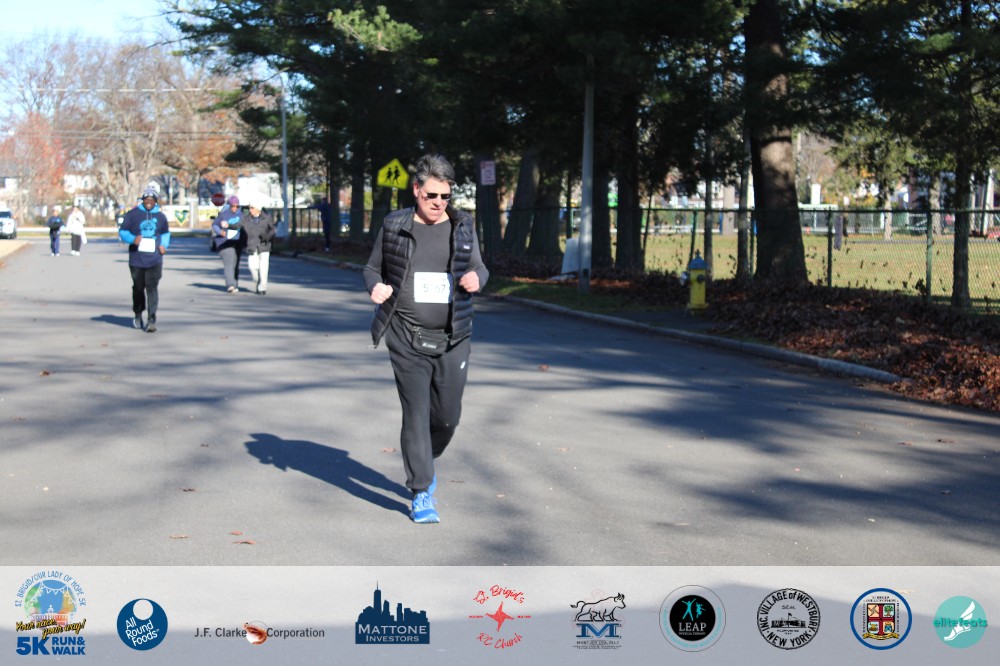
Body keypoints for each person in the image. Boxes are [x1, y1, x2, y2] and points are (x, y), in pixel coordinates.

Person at [363, 154, 489, 524]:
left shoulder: (463, 226)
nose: (438, 203)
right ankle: (421, 489)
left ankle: (424, 458)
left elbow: (479, 267)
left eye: (445, 196)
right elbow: (372, 268)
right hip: (405, 333)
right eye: (431, 195)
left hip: (454, 335)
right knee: (415, 412)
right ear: (416, 189)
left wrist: (478, 279)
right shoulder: (395, 225)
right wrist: (375, 287)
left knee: (447, 417)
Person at [119, 187, 170, 332]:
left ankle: (151, 320)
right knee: (138, 288)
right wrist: (132, 239)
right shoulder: (133, 214)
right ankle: (137, 313)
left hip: (155, 260)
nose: (149, 202)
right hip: (137, 260)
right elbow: (123, 231)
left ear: (155, 202)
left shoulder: (161, 217)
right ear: (142, 200)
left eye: (151, 200)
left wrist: (164, 245)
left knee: (152, 288)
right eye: (146, 200)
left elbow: (165, 233)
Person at [241, 196, 277, 295]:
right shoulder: (246, 218)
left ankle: (262, 287)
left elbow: (273, 230)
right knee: (252, 267)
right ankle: (258, 281)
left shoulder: (267, 218)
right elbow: (239, 226)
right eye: (249, 208)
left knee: (264, 268)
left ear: (258, 208)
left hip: (264, 246)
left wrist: (267, 237)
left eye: (252, 208)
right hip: (252, 246)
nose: (250, 210)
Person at [211, 195, 245, 292]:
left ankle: (235, 283)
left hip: (238, 242)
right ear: (229, 205)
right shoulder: (223, 215)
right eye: (233, 206)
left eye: (237, 206)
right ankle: (230, 284)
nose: (235, 208)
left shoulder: (242, 216)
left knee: (235, 264)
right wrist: (220, 232)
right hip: (225, 242)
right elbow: (215, 224)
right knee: (229, 263)